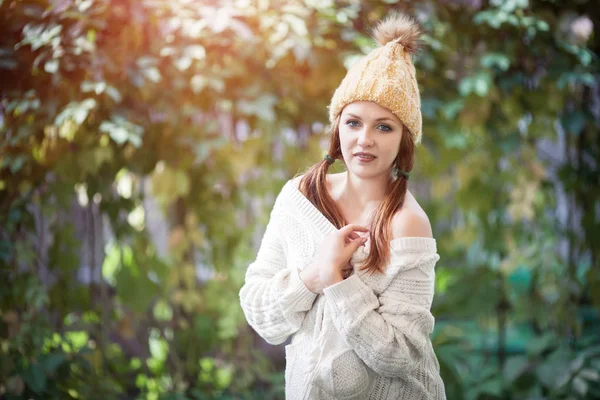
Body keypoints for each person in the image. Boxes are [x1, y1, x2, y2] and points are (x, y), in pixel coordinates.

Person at [239, 12, 446, 400]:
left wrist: (338, 281)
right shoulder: (299, 198)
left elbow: (399, 356)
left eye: (384, 126)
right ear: (337, 128)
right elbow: (259, 311)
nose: (364, 139)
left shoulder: (408, 225)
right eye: (353, 122)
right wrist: (314, 274)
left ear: (403, 141)